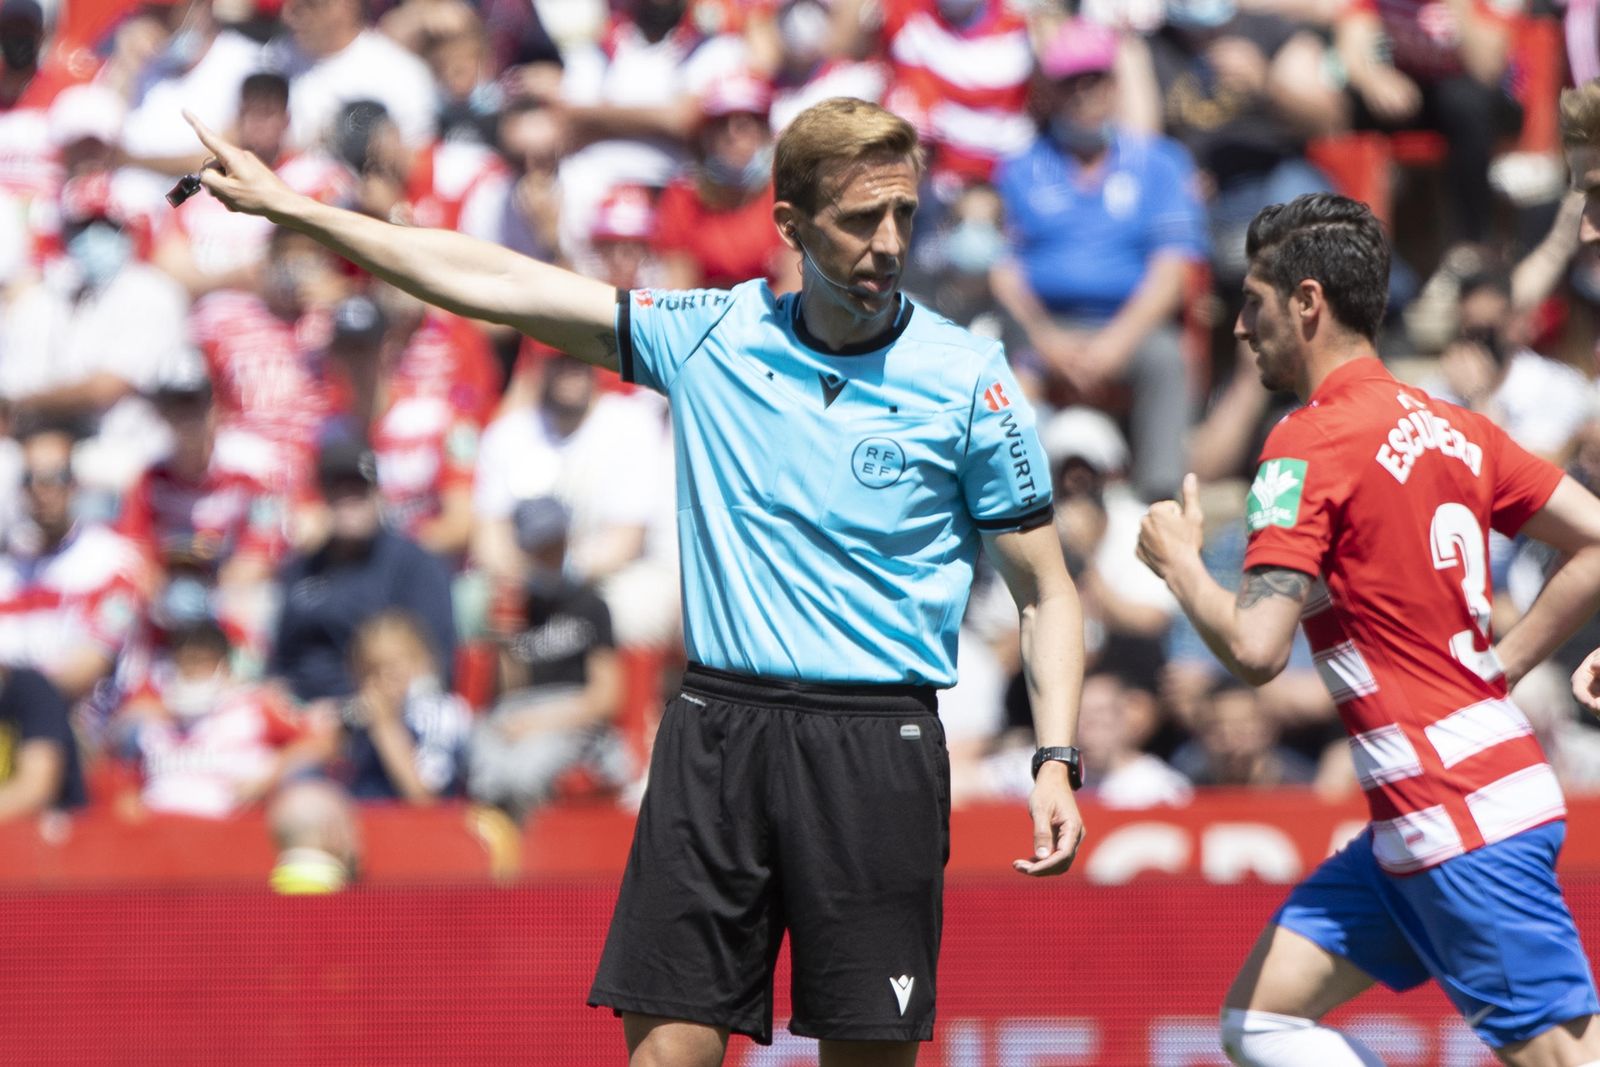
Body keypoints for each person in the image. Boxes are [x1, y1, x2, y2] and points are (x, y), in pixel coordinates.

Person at [187, 92, 1085, 1065]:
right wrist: (301, 212)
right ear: (788, 225)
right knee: (664, 1055)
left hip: (875, 740)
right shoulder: (710, 335)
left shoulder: (968, 379)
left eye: (904, 214)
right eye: (859, 217)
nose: (887, 241)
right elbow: (499, 281)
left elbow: (1045, 591)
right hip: (717, 729)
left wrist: (1055, 757)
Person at [1136, 193, 1600, 1065]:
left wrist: (1180, 566)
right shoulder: (1456, 426)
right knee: (1259, 1022)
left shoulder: (1305, 443)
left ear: (1307, 303)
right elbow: (1596, 540)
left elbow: (1255, 649)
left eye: (1254, 300)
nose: (1239, 326)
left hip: (1455, 813)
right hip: (1437, 805)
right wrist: (1499, 669)